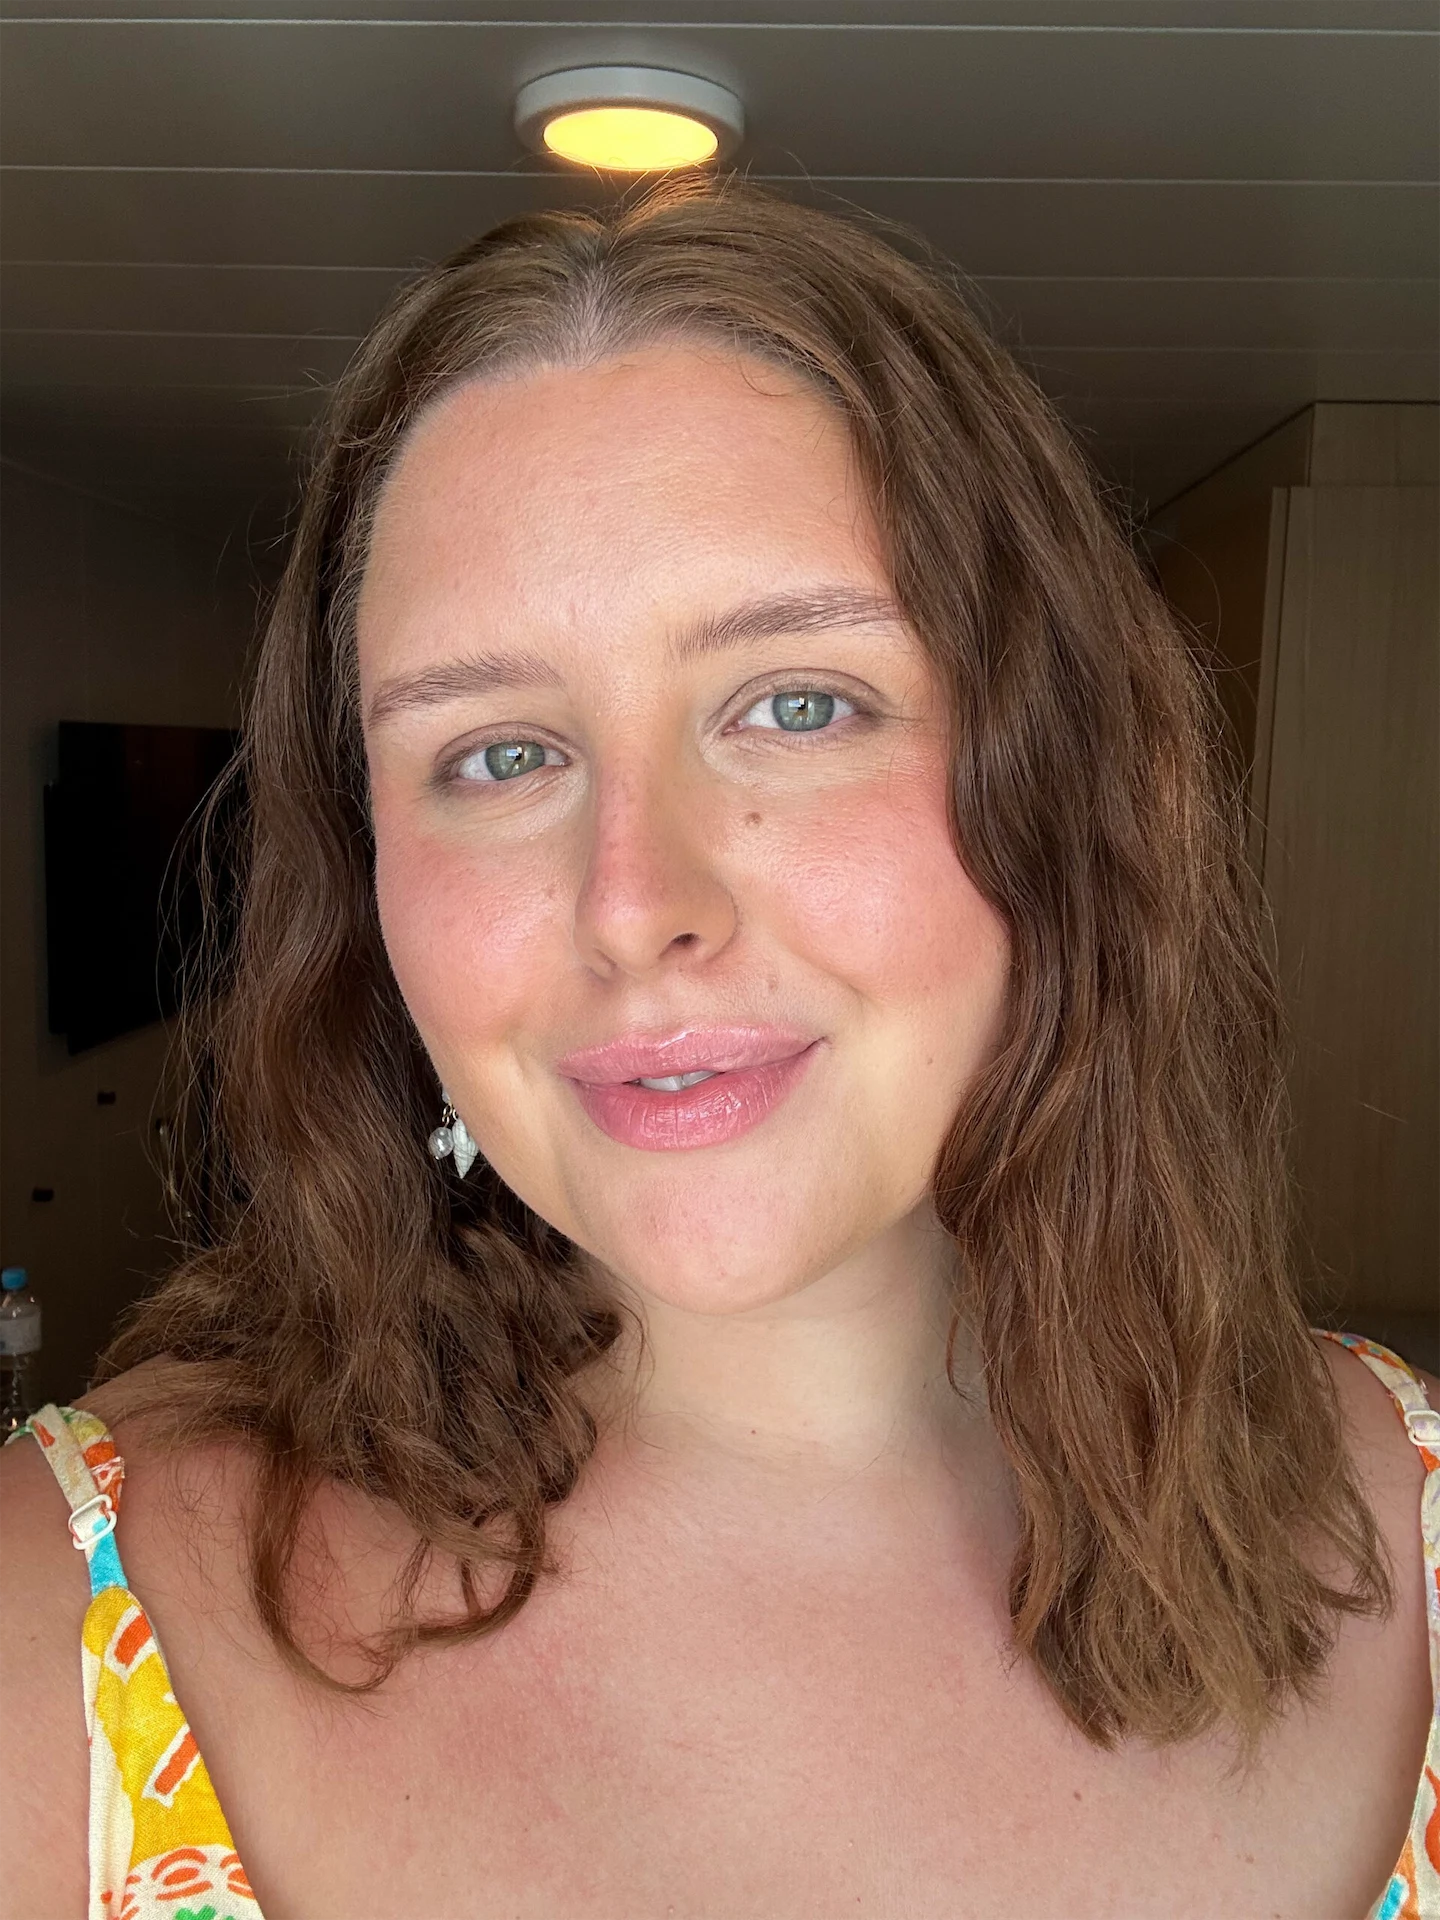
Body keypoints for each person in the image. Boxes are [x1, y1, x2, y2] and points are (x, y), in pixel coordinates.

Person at [1, 177, 1434, 1920]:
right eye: (497, 753)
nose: (634, 905)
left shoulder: (1412, 1525)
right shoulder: (60, 1632)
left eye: (797, 705)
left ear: (1070, 785)